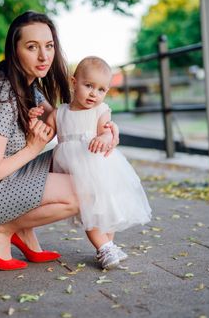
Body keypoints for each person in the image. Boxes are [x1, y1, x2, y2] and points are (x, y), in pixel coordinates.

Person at [0, 12, 118, 271]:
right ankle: (3, 229)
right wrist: (33, 147)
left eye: (49, 46)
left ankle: (22, 230)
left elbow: (67, 124)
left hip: (6, 181)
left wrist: (108, 130)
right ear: (14, 51)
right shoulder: (1, 95)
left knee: (83, 160)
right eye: (32, 47)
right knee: (82, 189)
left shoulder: (29, 87)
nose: (44, 56)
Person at [30, 56, 152, 269]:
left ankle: (108, 245)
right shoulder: (61, 113)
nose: (94, 94)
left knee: (105, 209)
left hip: (98, 166)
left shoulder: (100, 111)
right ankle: (103, 248)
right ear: (74, 82)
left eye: (101, 90)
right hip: (72, 170)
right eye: (89, 86)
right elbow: (44, 135)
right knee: (89, 208)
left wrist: (105, 138)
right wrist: (35, 119)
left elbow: (107, 132)